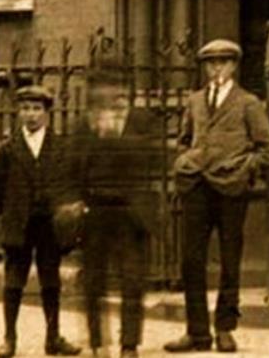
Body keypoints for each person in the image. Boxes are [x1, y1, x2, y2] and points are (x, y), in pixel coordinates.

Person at [165, 39, 269, 355]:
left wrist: (244, 168)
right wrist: (185, 160)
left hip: (231, 190)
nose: (216, 68)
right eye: (210, 63)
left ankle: (225, 328)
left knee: (230, 261)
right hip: (196, 188)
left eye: (223, 62)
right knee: (191, 261)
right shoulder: (195, 101)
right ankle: (197, 332)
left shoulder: (248, 103)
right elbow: (184, 139)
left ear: (233, 66)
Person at [72, 68, 163, 358]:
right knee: (93, 282)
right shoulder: (84, 124)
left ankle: (129, 345)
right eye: (104, 88)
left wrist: (114, 137)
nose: (111, 94)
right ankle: (98, 344)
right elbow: (72, 166)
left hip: (131, 213)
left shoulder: (141, 120)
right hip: (96, 212)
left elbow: (154, 160)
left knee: (132, 281)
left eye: (118, 86)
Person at [0, 85, 83, 357]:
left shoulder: (60, 146)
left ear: (47, 113)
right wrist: (11, 213)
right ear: (18, 112)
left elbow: (69, 184)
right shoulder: (7, 148)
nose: (30, 115)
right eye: (25, 109)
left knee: (50, 279)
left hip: (48, 224)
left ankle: (53, 337)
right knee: (14, 279)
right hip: (19, 223)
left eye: (36, 109)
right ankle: (10, 338)